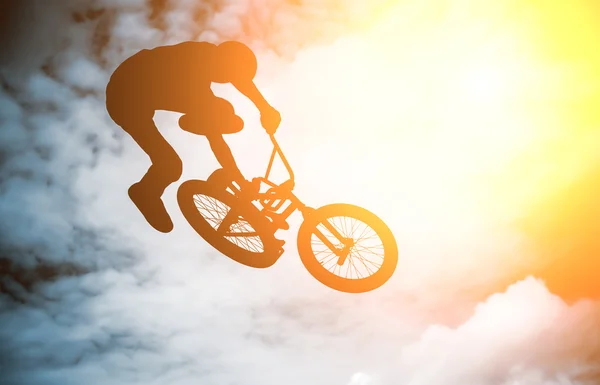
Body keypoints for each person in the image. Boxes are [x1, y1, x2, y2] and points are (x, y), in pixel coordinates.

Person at [105, 40, 281, 234]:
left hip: (131, 96)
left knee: (170, 164)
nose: (226, 80)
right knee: (171, 164)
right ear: (227, 61)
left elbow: (217, 136)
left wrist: (264, 108)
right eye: (229, 75)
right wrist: (264, 108)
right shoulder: (199, 58)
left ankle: (146, 191)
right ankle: (145, 193)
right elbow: (218, 137)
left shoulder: (202, 80)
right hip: (125, 92)